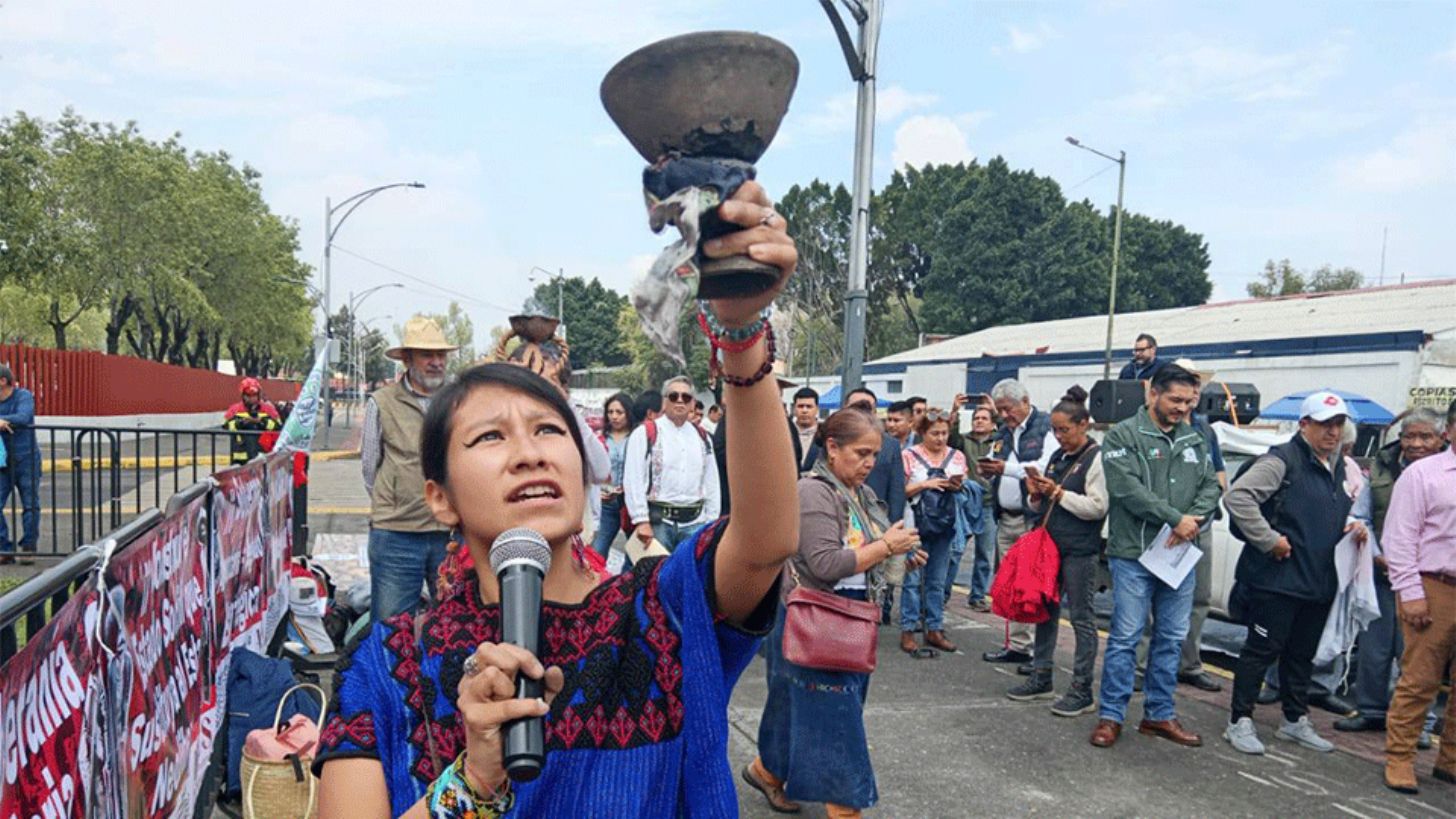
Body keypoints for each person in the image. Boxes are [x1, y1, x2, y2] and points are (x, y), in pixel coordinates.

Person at [316, 180, 800, 817]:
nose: (528, 453)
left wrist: (740, 332)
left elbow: (765, 541)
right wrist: (473, 782)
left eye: (549, 430)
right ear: (440, 498)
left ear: (583, 464)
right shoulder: (387, 666)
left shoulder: (658, 613)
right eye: (490, 437)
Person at [745, 408, 924, 817]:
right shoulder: (814, 492)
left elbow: (863, 549)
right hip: (817, 618)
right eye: (861, 453)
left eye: (874, 454)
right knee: (837, 719)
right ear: (832, 447)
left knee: (796, 705)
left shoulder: (857, 493)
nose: (869, 463)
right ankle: (846, 809)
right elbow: (825, 563)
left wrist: (898, 553)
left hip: (844, 618)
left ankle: (768, 770)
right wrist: (885, 548)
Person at [1221, 391, 1367, 756]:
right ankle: (1239, 720)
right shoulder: (1282, 461)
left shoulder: (1336, 466)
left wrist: (1351, 526)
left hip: (1317, 581)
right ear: (1304, 425)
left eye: (1338, 424)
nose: (1333, 432)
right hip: (1276, 581)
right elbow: (1238, 498)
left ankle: (1294, 719)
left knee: (1301, 655)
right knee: (1260, 651)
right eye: (1324, 424)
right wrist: (1269, 540)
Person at [1090, 364, 1221, 749]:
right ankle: (1111, 716)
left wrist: (1194, 519)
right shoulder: (1123, 435)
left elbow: (1211, 486)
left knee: (1172, 637)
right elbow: (1126, 489)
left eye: (1189, 401)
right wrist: (1174, 519)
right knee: (1126, 636)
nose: (1182, 408)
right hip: (1134, 554)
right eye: (1175, 400)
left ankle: (1159, 714)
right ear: (1153, 394)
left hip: (1179, 556)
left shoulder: (1195, 438)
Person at [1337, 408, 1447, 735]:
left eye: (1425, 436)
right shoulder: (1383, 467)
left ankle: (1420, 725)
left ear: (1441, 438)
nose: (1416, 444)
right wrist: (1376, 554)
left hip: (1428, 580)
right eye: (1410, 436)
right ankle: (1370, 709)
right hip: (1382, 574)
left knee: (1419, 654)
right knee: (1375, 648)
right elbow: (1362, 516)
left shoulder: (1446, 472)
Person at [1006, 387, 1107, 717]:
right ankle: (1041, 676)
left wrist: (1059, 493)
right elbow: (1041, 505)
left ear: (1083, 425)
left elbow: (1098, 507)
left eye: (1065, 430)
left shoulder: (1096, 458)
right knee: (1045, 612)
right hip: (1050, 547)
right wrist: (1036, 494)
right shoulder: (1056, 457)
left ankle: (1082, 688)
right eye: (1055, 430)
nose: (1060, 436)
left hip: (1080, 550)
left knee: (1081, 618)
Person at [1135, 358, 1228, 693]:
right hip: (1159, 527)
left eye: (1196, 386)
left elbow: (1218, 477)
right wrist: (1175, 517)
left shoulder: (1204, 430)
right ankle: (1140, 666)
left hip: (1198, 528)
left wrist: (1198, 514)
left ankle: (1188, 664)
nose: (1190, 396)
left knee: (1199, 598)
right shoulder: (1146, 428)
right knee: (1148, 601)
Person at [1379, 400, 1456, 794]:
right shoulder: (1423, 474)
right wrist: (1410, 592)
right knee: (1421, 678)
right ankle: (1400, 757)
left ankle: (1450, 760)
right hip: (1433, 584)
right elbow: (1399, 537)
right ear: (1450, 431)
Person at [361, 315, 459, 623]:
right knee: (392, 628)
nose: (436, 362)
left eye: (441, 355)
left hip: (451, 534)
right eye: (427, 355)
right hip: (396, 535)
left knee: (455, 625)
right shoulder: (382, 402)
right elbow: (369, 469)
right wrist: (397, 501)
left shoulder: (460, 401)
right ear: (407, 359)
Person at [977, 379, 1057, 664]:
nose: (1004, 415)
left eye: (1007, 409)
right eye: (999, 410)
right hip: (1005, 517)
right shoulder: (1003, 432)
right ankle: (1018, 645)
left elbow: (1045, 467)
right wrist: (988, 469)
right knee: (1011, 582)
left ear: (1025, 401)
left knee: (1031, 583)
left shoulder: (1045, 427)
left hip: (1032, 519)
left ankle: (1036, 650)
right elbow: (995, 459)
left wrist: (1006, 468)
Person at [623, 375, 721, 552]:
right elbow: (633, 478)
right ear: (664, 401)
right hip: (658, 524)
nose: (680, 401)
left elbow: (711, 480)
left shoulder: (703, 437)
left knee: (691, 570)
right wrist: (641, 520)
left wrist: (711, 522)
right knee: (655, 570)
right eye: (674, 396)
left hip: (695, 524)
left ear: (692, 404)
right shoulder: (645, 433)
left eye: (686, 397)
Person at [900, 408, 967, 655]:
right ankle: (908, 629)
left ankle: (935, 628)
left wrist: (956, 485)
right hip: (915, 525)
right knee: (912, 580)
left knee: (937, 580)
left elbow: (964, 486)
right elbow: (900, 490)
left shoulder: (957, 456)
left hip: (944, 525)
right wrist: (925, 484)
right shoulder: (908, 456)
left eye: (944, 433)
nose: (940, 438)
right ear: (922, 433)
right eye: (935, 433)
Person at [846, 387, 908, 625]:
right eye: (856, 408)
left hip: (878, 524)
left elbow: (896, 489)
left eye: (868, 408)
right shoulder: (835, 441)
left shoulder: (890, 445)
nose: (868, 462)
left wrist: (893, 528)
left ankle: (880, 608)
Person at [960, 404, 999, 612]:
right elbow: (950, 435)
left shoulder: (998, 442)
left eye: (984, 418)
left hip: (988, 505)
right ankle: (943, 594)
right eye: (976, 418)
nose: (979, 421)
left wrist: (995, 409)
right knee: (955, 550)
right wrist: (955, 411)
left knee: (984, 553)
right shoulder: (964, 440)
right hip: (966, 504)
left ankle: (977, 596)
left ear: (993, 424)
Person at [0, 364, 39, 565]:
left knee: (30, 504)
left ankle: (29, 546)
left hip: (26, 458)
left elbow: (24, 417)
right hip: (2, 461)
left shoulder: (23, 396)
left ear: (3, 381)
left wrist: (3, 420)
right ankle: (4, 549)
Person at [590, 392, 636, 559]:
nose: (614, 417)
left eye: (619, 412)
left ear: (628, 413)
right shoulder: (599, 439)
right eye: (610, 412)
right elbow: (591, 470)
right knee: (597, 551)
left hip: (630, 503)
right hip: (606, 503)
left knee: (636, 553)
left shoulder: (637, 437)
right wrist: (596, 491)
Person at [222, 377, 282, 466]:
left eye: (254, 395)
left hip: (263, 455)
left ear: (258, 395)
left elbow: (278, 426)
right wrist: (241, 423)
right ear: (243, 395)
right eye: (248, 395)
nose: (251, 398)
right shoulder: (235, 409)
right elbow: (226, 426)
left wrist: (261, 422)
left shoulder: (268, 409)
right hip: (241, 457)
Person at [790, 387, 821, 473]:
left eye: (809, 407)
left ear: (817, 409)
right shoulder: (785, 433)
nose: (804, 410)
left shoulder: (824, 434)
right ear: (794, 409)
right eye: (800, 406)